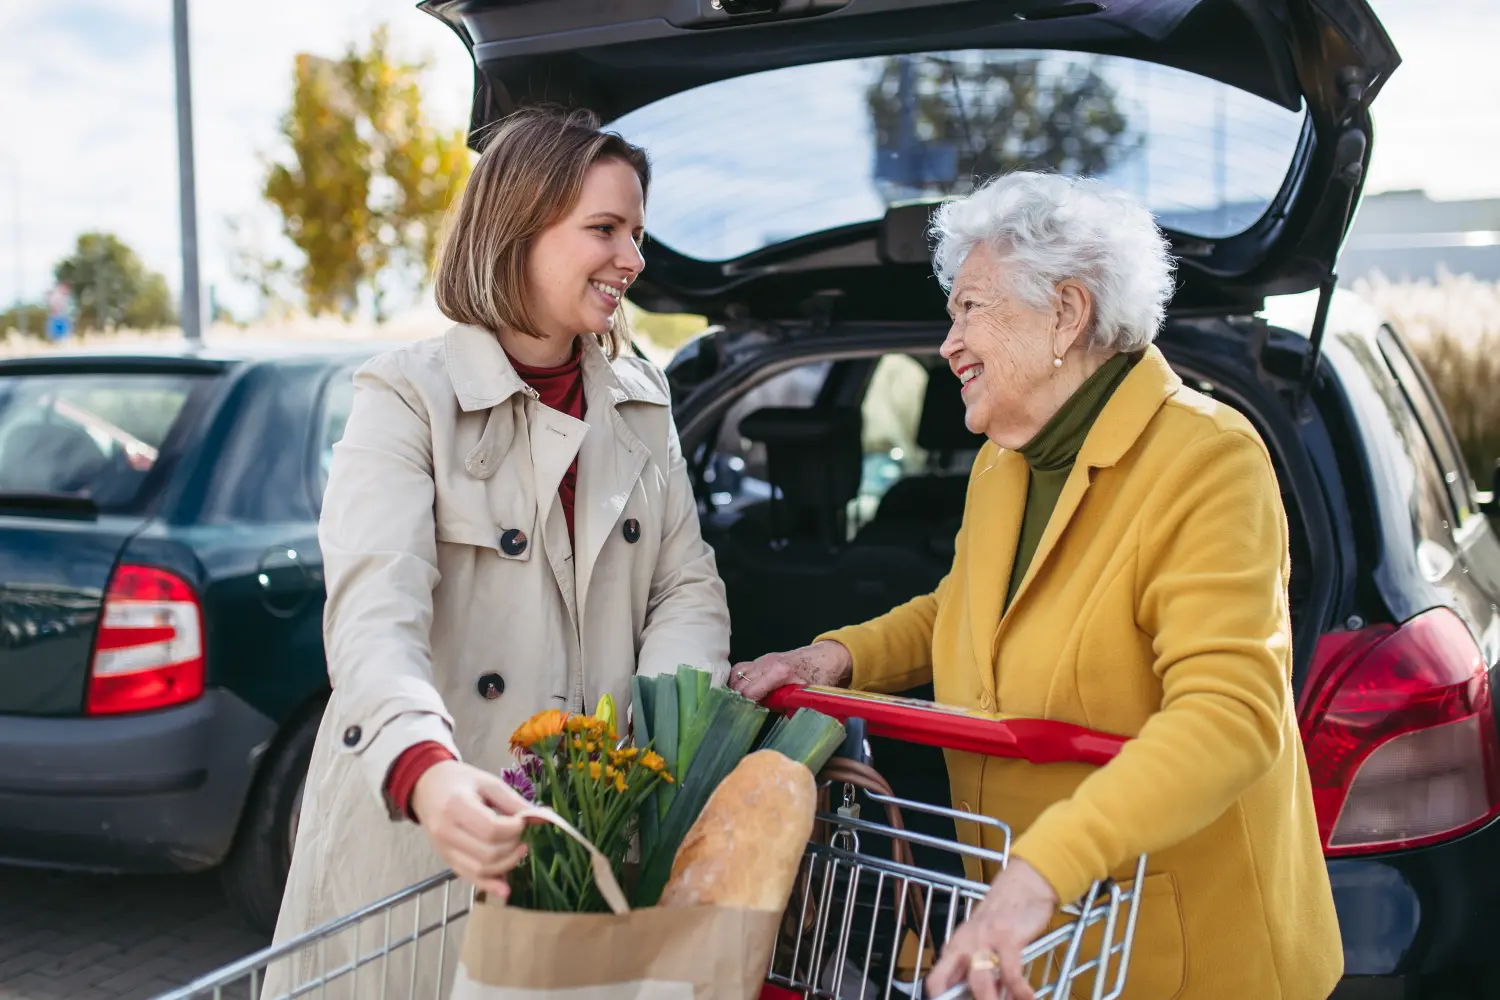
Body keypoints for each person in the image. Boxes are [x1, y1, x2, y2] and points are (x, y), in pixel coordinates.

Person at [731, 172, 1341, 1000]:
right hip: (1043, 936)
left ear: (1067, 312)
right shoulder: (1006, 461)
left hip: (1180, 948)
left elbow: (1231, 716)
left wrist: (1039, 870)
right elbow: (964, 609)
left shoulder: (1207, 457)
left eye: (971, 309)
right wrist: (833, 657)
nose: (948, 343)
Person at [262, 107, 731, 999]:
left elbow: (684, 587)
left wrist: (660, 758)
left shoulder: (641, 398)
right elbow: (374, 611)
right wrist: (424, 773)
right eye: (604, 229)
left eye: (636, 232)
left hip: (593, 840)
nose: (633, 260)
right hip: (422, 845)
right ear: (517, 228)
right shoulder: (405, 397)